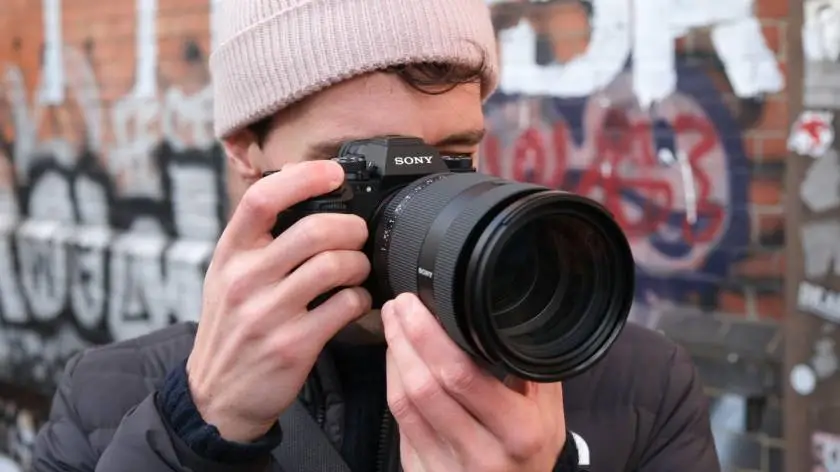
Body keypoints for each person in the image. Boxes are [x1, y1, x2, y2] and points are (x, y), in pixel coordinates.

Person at [32, 0, 721, 470]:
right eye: (359, 168)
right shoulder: (108, 396)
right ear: (247, 152)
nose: (416, 199)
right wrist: (193, 429)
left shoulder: (637, 382)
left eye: (452, 159)